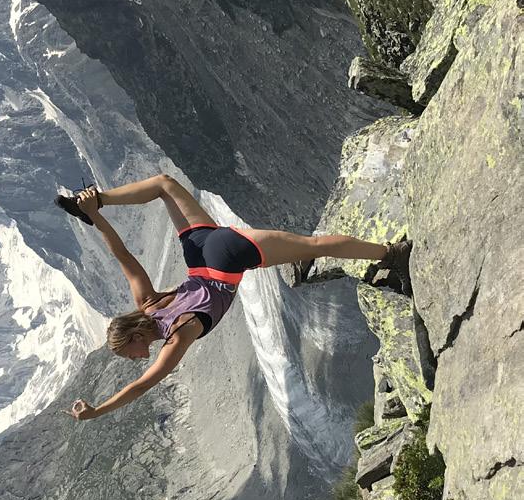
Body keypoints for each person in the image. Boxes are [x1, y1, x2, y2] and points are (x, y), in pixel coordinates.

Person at [55, 174, 409, 421]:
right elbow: (124, 257)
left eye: (128, 353)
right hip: (201, 252)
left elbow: (142, 386)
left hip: (226, 261)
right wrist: (95, 215)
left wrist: (97, 411)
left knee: (313, 245)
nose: (133, 359)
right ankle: (100, 197)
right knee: (164, 184)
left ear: (135, 337)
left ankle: (391, 254)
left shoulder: (177, 335)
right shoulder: (146, 302)